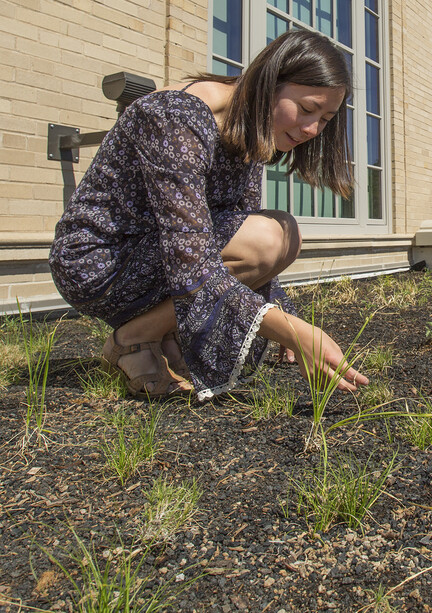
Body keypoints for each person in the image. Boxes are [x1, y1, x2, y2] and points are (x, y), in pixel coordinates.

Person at [49, 30, 368, 401]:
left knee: (283, 231)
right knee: (267, 237)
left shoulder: (248, 128)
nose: (312, 129)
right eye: (307, 108)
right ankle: (133, 339)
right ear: (269, 81)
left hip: (155, 256)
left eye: (325, 119)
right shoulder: (176, 117)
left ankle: (162, 335)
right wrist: (291, 329)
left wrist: (281, 308)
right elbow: (193, 258)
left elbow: (232, 225)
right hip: (99, 262)